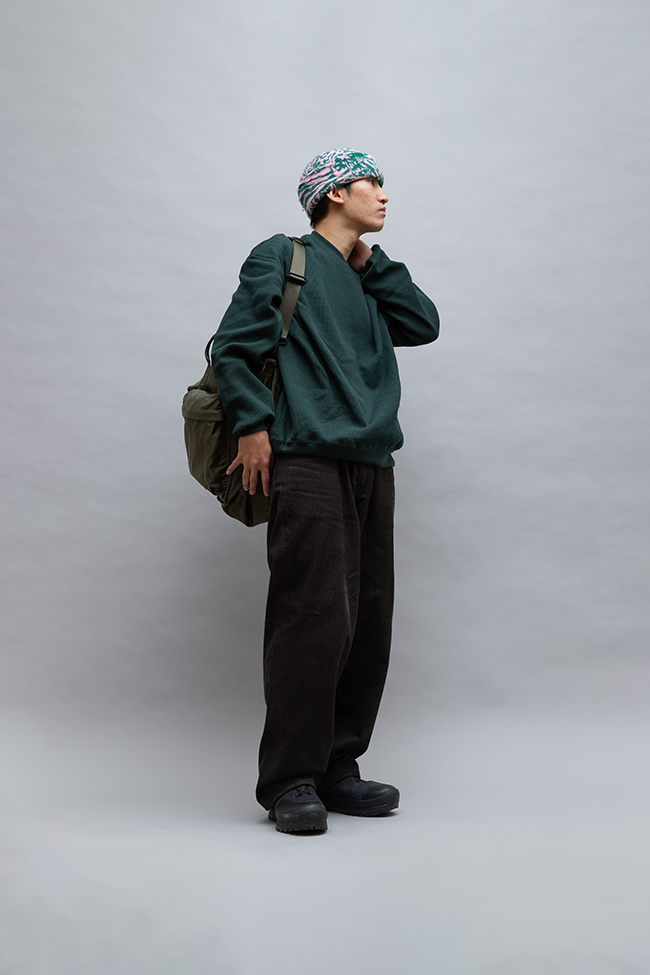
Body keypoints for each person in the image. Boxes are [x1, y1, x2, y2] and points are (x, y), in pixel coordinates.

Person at [211, 148, 439, 833]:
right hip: (305, 454)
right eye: (372, 182)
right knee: (312, 615)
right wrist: (253, 426)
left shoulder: (368, 276)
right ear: (335, 192)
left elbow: (423, 325)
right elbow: (234, 346)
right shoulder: (284, 256)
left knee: (367, 617)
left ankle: (339, 765)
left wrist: (374, 265)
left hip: (372, 459)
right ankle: (291, 778)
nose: (384, 195)